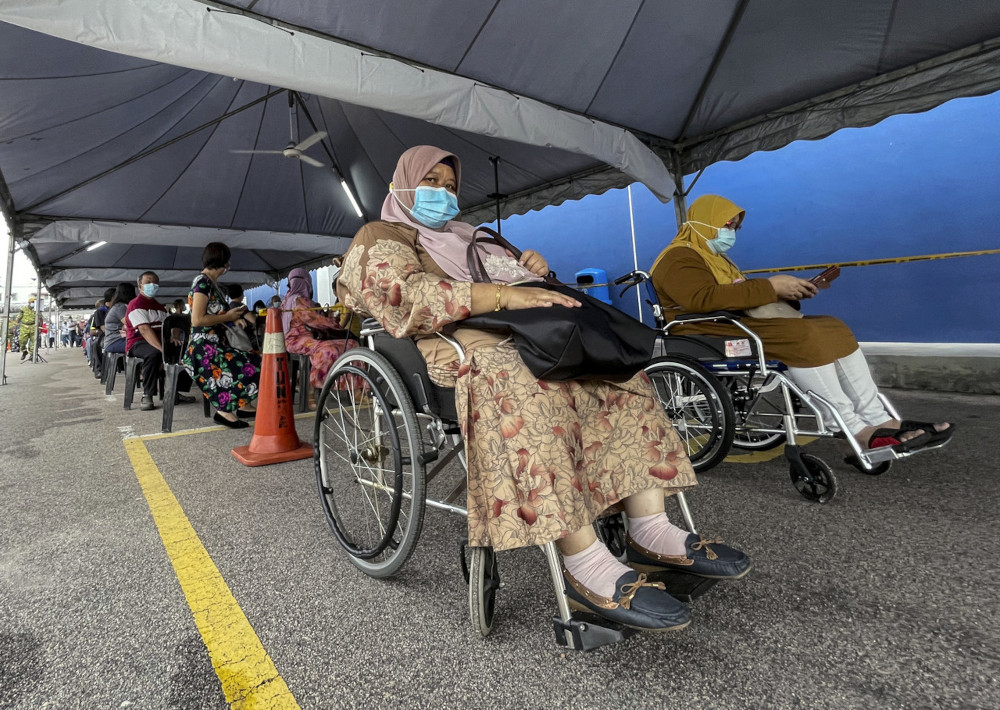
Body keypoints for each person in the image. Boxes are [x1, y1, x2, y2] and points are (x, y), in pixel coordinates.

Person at [336, 145, 750, 633]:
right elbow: (403, 293)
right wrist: (504, 293)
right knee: (534, 390)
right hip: (463, 347)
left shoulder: (473, 236)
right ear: (401, 186)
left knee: (620, 377)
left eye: (450, 186)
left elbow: (539, 293)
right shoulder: (380, 235)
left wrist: (532, 268)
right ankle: (585, 563)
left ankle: (650, 529)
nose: (442, 194)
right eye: (430, 183)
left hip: (528, 336)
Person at [649, 194, 954, 466]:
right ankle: (855, 430)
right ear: (705, 222)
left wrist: (784, 293)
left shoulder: (713, 257)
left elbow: (737, 293)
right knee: (802, 337)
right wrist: (770, 287)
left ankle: (879, 419)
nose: (731, 232)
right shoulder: (679, 257)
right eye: (728, 224)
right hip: (704, 329)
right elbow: (701, 299)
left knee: (833, 327)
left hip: (734, 322)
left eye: (735, 227)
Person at [182, 242, 260, 429]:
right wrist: (228, 316)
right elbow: (197, 320)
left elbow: (214, 315)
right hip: (204, 347)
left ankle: (244, 405)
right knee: (253, 364)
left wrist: (232, 319)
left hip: (216, 342)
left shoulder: (212, 284)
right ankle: (223, 412)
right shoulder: (202, 283)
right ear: (224, 262)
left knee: (254, 360)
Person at [125, 271, 195, 411]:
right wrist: (162, 350)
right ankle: (147, 395)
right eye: (148, 282)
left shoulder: (159, 306)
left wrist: (174, 337)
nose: (152, 285)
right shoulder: (135, 305)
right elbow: (144, 330)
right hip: (138, 342)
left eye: (155, 282)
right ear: (140, 286)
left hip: (159, 341)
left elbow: (173, 323)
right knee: (154, 354)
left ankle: (175, 391)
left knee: (190, 350)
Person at [281, 268, 358, 392]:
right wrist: (333, 323)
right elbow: (315, 321)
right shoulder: (298, 301)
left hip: (306, 338)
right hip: (297, 340)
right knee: (330, 349)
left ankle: (355, 389)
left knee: (352, 344)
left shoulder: (291, 300)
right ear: (307, 282)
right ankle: (313, 388)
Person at [104, 282, 136, 355]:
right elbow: (132, 324)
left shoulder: (120, 306)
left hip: (119, 339)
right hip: (114, 341)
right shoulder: (120, 307)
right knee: (144, 346)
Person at [16, 297, 36, 361]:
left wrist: (40, 327)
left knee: (33, 342)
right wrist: (15, 326)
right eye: (32, 302)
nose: (33, 304)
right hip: (24, 327)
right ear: (29, 303)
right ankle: (24, 351)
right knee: (22, 341)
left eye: (34, 302)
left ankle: (32, 355)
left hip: (33, 327)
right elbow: (18, 318)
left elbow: (40, 318)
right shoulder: (23, 309)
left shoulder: (36, 310)